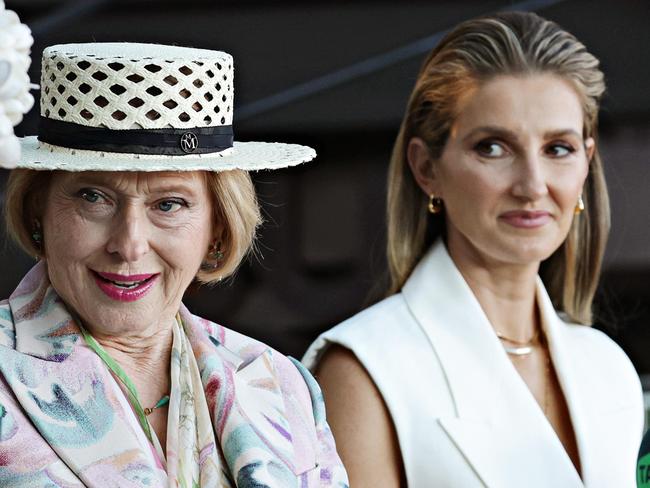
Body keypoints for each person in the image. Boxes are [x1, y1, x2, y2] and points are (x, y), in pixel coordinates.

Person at [303, 11, 643, 488]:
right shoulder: (366, 370)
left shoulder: (608, 367)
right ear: (427, 169)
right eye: (492, 147)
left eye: (558, 149)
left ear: (586, 162)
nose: (532, 185)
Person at [0, 42, 348, 487]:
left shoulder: (278, 380)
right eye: (93, 197)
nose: (129, 245)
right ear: (37, 213)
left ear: (216, 231)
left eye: (169, 203)